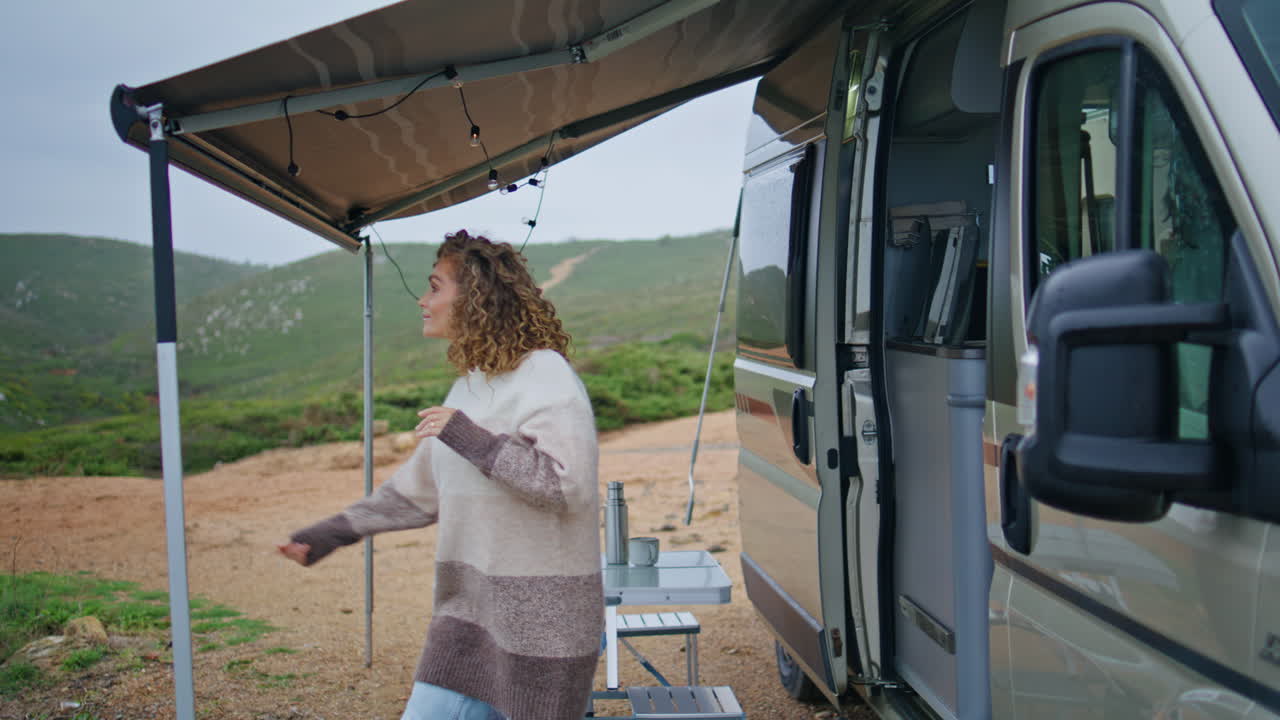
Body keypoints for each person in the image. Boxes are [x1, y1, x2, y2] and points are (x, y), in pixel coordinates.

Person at [278, 230, 603, 720]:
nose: (423, 300)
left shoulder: (544, 373)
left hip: (541, 628)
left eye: (434, 286)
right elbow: (416, 493)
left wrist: (471, 439)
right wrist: (331, 533)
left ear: (476, 298)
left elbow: (566, 484)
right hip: (468, 615)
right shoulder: (469, 385)